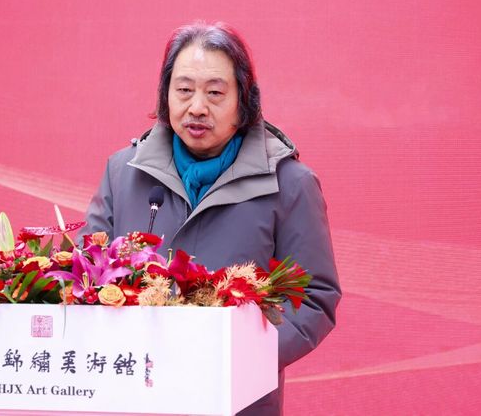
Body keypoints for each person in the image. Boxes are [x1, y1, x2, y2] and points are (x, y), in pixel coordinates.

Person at [79, 22, 341, 415]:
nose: (197, 107)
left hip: (234, 399)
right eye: (184, 90)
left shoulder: (289, 183)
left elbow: (314, 295)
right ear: (166, 95)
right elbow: (88, 271)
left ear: (244, 100)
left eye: (215, 93)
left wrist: (240, 358)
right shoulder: (123, 172)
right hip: (134, 396)